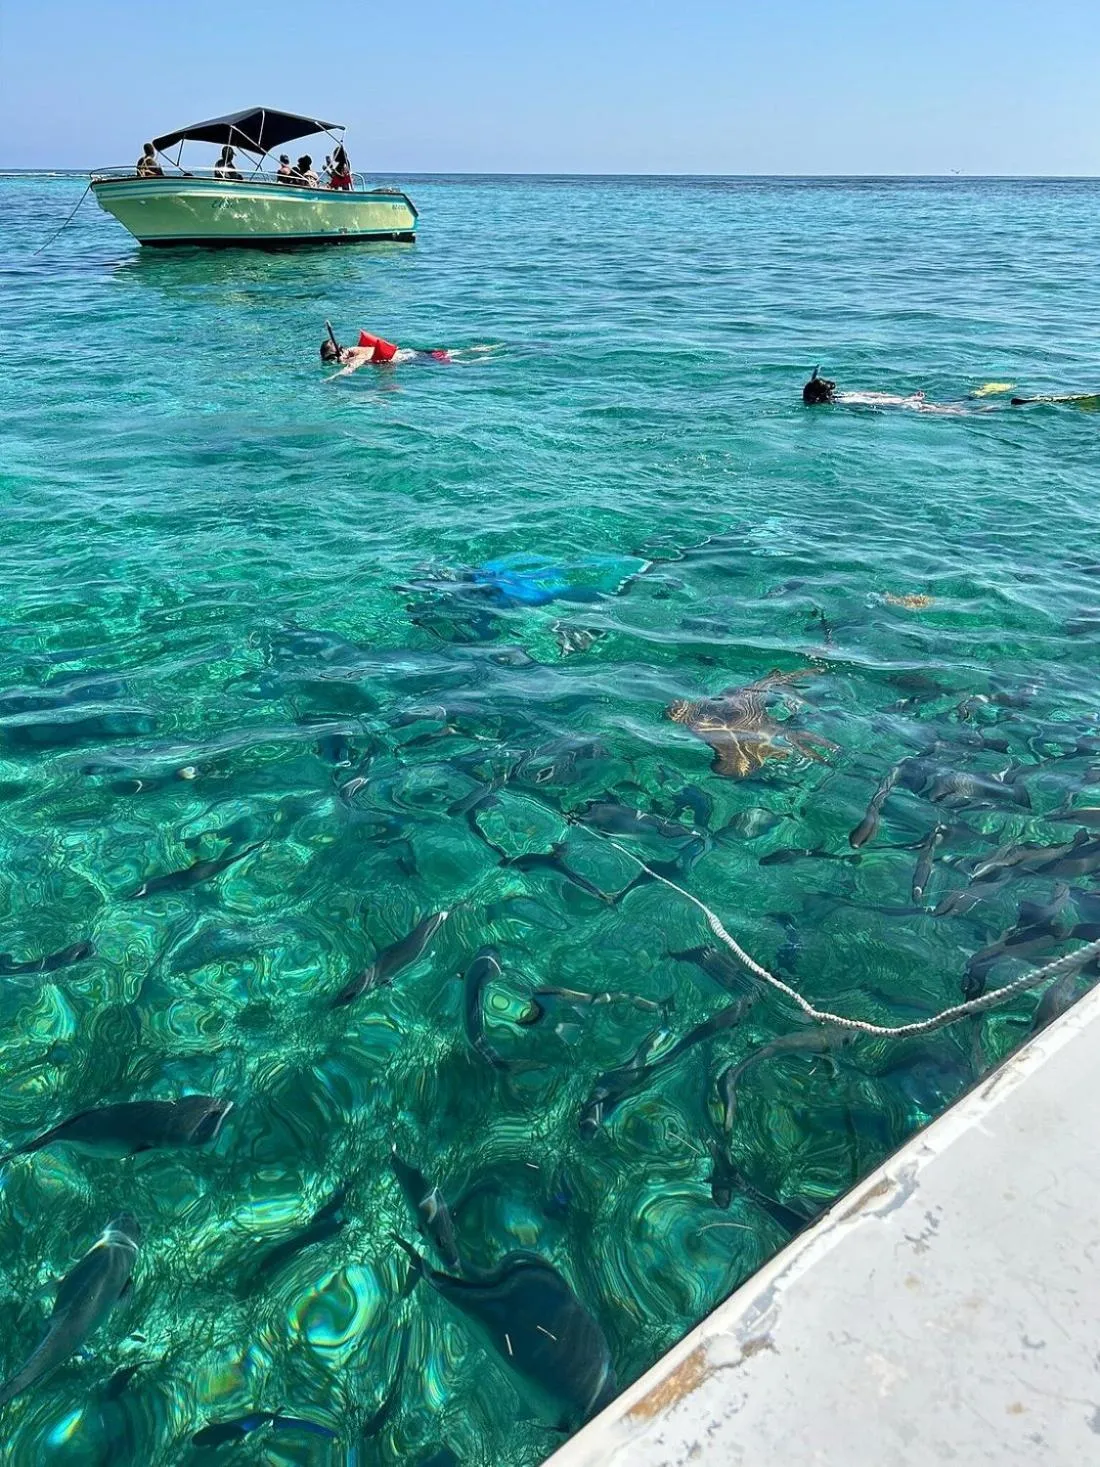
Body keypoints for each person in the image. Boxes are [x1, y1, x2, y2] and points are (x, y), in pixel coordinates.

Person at [319, 322, 450, 376]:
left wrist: (334, 376)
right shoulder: (351, 351)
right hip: (409, 355)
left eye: (331, 358)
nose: (331, 362)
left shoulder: (358, 354)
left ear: (338, 353)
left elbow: (352, 367)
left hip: (411, 359)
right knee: (453, 355)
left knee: (456, 360)